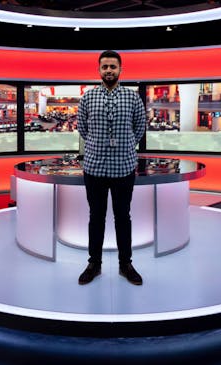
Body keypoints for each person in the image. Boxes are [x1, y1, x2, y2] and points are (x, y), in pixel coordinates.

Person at [76, 50, 147, 285]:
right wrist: (98, 146)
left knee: (122, 217)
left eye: (112, 67)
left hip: (123, 169)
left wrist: (125, 146)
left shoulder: (133, 98)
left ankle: (125, 264)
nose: (108, 70)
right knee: (95, 217)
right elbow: (83, 129)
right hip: (94, 168)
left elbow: (139, 127)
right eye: (104, 66)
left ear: (120, 70)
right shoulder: (87, 98)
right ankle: (94, 263)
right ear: (99, 70)